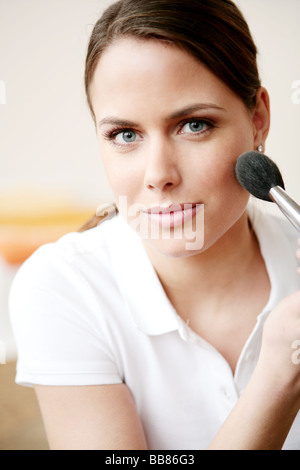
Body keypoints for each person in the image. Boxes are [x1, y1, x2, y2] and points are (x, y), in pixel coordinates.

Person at [9, 0, 300, 450]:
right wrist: (284, 365)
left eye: (194, 125)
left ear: (257, 118)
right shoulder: (62, 287)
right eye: (125, 135)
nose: (157, 174)